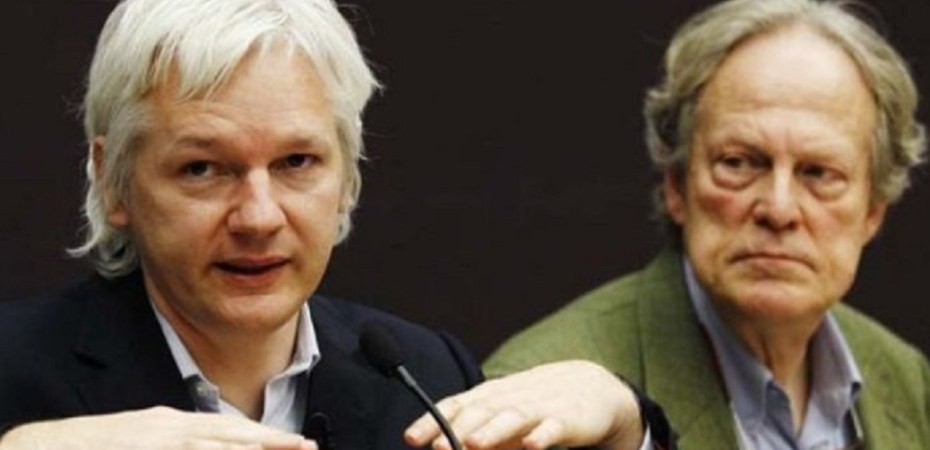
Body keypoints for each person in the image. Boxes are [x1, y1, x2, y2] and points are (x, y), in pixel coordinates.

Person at [0, 0, 675, 449]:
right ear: (112, 179)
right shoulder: (16, 376)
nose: (259, 217)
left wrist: (628, 432)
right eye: (202, 169)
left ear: (348, 174)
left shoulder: (421, 373)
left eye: (296, 162)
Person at [485, 0, 930, 448]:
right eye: (738, 163)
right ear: (676, 185)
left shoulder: (911, 382)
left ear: (874, 209)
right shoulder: (536, 400)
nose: (779, 209)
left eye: (819, 173)